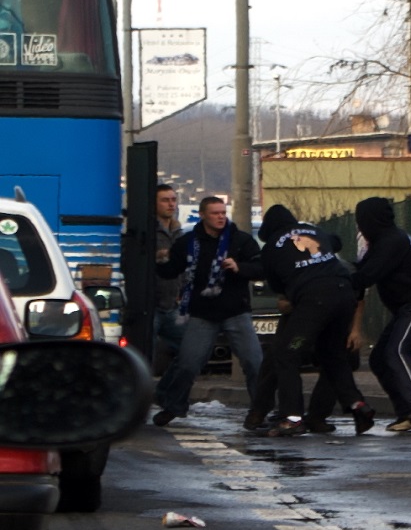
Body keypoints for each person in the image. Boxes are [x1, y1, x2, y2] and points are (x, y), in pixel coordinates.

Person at [252, 205, 373, 437]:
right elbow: (336, 242)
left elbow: (278, 287)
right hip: (343, 296)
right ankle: (359, 407)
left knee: (288, 353)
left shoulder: (270, 249)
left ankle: (292, 418)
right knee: (334, 356)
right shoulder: (312, 231)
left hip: (314, 304)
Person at [152, 196, 264, 426]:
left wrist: (239, 267)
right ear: (202, 215)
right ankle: (173, 406)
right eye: (215, 213)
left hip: (236, 311)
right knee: (188, 364)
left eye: (223, 212)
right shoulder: (189, 243)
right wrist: (158, 260)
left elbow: (261, 267)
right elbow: (172, 270)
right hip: (203, 313)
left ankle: (260, 411)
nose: (221, 217)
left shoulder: (240, 240)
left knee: (254, 362)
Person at [351, 197, 411, 432]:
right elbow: (364, 271)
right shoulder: (385, 240)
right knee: (379, 358)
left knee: (396, 350)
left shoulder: (390, 241)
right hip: (408, 307)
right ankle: (408, 411)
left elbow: (366, 275)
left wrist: (338, 276)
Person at [152, 184, 186, 371]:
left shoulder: (178, 232)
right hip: (151, 305)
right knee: (144, 355)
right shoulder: (149, 231)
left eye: (173, 200)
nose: (170, 204)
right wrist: (159, 255)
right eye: (165, 200)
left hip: (173, 304)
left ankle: (167, 392)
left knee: (190, 352)